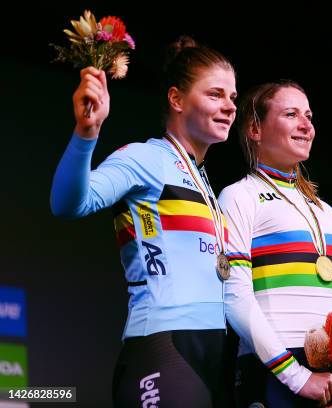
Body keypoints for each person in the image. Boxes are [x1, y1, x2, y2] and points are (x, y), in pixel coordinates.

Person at [50, 36, 237, 407]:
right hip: (164, 346)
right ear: (177, 99)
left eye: (232, 97)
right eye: (216, 94)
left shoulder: (205, 181)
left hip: (217, 351)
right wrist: (87, 133)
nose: (230, 106)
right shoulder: (145, 158)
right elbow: (69, 204)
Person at [218, 81, 332, 407]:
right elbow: (236, 298)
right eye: (291, 114)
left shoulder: (324, 210)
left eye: (309, 116)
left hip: (329, 376)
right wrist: (296, 377)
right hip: (272, 370)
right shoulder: (239, 196)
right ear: (255, 129)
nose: (306, 125)